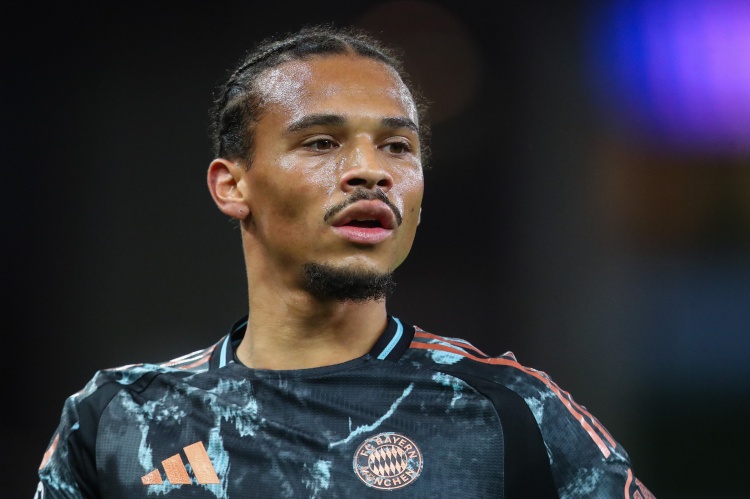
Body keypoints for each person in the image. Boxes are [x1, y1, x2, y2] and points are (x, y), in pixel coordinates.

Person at [36, 25, 653, 498]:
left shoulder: (513, 410)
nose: (371, 170)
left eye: (398, 146)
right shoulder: (119, 417)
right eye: (322, 142)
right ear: (232, 185)